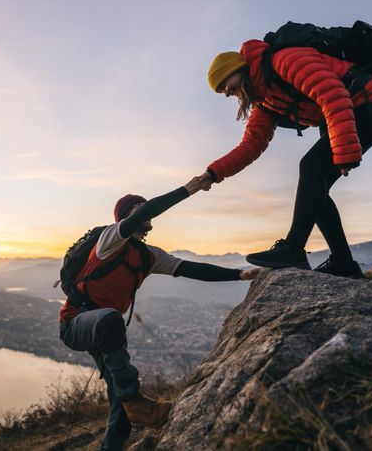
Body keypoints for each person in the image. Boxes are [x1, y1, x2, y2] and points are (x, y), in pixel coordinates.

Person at [58, 177, 258, 451]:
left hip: (105, 329)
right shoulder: (109, 240)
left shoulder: (149, 256)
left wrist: (238, 274)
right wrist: (190, 188)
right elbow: (149, 210)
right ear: (125, 218)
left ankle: (117, 435)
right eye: (138, 209)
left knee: (122, 405)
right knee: (112, 326)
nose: (145, 212)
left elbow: (190, 268)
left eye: (145, 208)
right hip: (76, 323)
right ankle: (135, 398)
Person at [199, 37, 372, 277]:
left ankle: (294, 248)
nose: (225, 93)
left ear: (237, 69)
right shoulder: (265, 101)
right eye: (220, 90)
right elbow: (250, 146)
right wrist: (213, 173)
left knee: (311, 167)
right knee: (316, 188)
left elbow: (332, 93)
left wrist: (345, 152)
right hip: (351, 112)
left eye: (224, 84)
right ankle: (343, 263)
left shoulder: (284, 60)